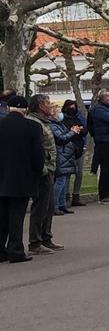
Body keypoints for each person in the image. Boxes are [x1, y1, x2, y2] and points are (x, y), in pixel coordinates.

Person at [0, 96, 45, 263]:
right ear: (25, 109)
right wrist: (38, 170)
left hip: (1, 176)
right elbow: (37, 154)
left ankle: (0, 250)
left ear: (7, 108)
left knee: (2, 215)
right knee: (16, 216)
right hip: (22, 177)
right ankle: (16, 250)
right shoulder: (32, 126)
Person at [27, 95, 62, 255]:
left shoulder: (45, 122)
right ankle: (35, 241)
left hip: (50, 167)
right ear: (40, 106)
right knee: (41, 205)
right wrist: (43, 168)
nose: (51, 106)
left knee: (49, 206)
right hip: (42, 169)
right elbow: (36, 148)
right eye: (48, 103)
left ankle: (46, 237)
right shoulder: (34, 123)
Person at [52, 101, 85, 213]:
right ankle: (55, 205)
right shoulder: (53, 125)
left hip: (67, 153)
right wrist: (73, 132)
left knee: (65, 180)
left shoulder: (59, 124)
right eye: (57, 111)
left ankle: (61, 204)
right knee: (60, 181)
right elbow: (62, 138)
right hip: (61, 153)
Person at [60, 100, 88, 208]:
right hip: (68, 149)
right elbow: (65, 133)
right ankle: (66, 197)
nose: (72, 109)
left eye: (74, 107)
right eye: (70, 107)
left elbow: (84, 130)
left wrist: (79, 130)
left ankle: (76, 195)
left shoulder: (78, 118)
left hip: (79, 149)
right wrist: (73, 131)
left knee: (79, 173)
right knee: (67, 174)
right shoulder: (63, 119)